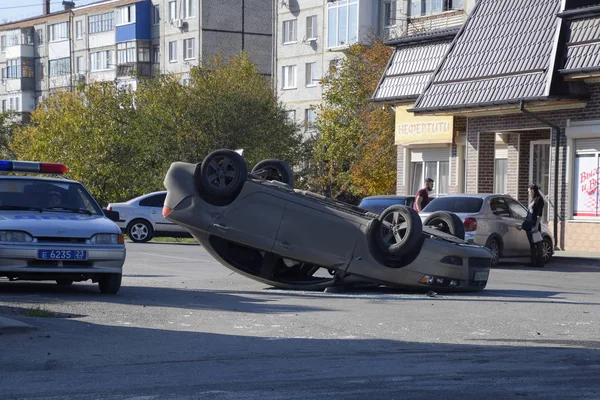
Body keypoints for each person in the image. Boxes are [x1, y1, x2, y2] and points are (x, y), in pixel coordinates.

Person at [523, 183, 545, 267]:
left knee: (537, 243)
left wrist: (536, 226)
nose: (529, 193)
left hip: (534, 225)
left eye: (529, 191)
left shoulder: (539, 200)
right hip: (529, 224)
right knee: (532, 244)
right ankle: (533, 261)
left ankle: (540, 262)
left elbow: (539, 214)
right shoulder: (533, 200)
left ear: (533, 190)